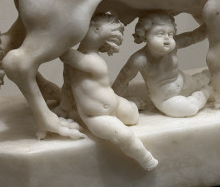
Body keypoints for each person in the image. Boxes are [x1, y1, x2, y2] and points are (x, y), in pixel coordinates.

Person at [59, 13, 158, 171]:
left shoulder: (92, 61)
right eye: (92, 26)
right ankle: (146, 158)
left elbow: (64, 53)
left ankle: (133, 104)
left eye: (97, 29)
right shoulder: (78, 61)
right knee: (123, 135)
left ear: (104, 41)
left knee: (133, 117)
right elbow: (67, 84)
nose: (90, 29)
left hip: (115, 102)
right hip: (96, 116)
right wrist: (64, 108)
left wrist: (57, 35)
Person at [113, 12, 211, 118]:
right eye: (160, 34)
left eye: (170, 34)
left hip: (185, 82)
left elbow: (194, 36)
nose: (167, 38)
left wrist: (212, 23)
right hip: (165, 98)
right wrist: (116, 101)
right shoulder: (140, 59)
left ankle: (208, 83)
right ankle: (207, 92)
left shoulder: (174, 46)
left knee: (205, 77)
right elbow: (122, 81)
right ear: (144, 35)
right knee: (190, 109)